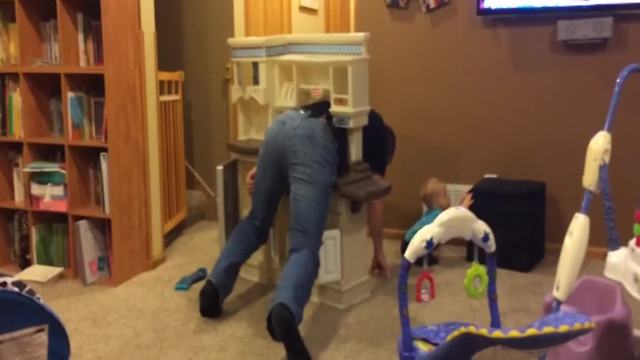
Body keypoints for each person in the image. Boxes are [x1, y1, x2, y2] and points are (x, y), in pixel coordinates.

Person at [199, 101, 393, 360]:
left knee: (256, 220)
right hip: (314, 143)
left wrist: (267, 169)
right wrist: (379, 251)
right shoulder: (381, 139)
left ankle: (213, 287)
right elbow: (376, 204)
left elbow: (293, 136)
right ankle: (284, 310)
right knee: (304, 244)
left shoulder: (354, 107)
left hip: (281, 126)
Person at [401, 178, 474, 265]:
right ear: (436, 203)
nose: (449, 197)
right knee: (432, 260)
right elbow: (455, 216)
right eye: (445, 195)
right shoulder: (438, 214)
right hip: (411, 244)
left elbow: (452, 214)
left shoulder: (432, 212)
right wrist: (464, 205)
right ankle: (420, 258)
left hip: (406, 241)